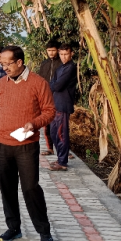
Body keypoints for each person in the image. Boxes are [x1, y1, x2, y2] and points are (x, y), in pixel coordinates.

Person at [0, 46, 56, 241]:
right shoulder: (1, 84)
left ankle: (44, 231)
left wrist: (35, 123)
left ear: (19, 62)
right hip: (2, 145)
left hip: (26, 145)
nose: (4, 68)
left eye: (8, 64)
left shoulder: (38, 83)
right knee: (7, 188)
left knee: (31, 188)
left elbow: (50, 111)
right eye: (2, 64)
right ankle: (13, 228)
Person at [48, 43, 78, 171]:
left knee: (61, 134)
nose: (63, 57)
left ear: (71, 54)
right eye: (61, 54)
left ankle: (62, 162)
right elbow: (52, 83)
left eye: (66, 54)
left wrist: (54, 85)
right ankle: (60, 158)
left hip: (63, 104)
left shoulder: (71, 67)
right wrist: (53, 85)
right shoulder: (60, 67)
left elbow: (57, 85)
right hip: (56, 104)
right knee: (53, 132)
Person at [36, 40, 62, 155]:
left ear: (58, 50)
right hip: (45, 98)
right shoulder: (44, 64)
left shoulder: (62, 64)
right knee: (46, 124)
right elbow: (40, 80)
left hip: (58, 97)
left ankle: (63, 149)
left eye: (53, 50)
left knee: (60, 124)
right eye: (49, 50)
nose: (51, 53)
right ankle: (50, 148)